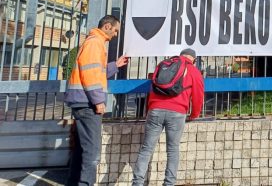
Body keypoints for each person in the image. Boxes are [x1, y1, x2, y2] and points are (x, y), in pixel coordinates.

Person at [64, 15, 129, 186]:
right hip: (87, 104)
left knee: (81, 150)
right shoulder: (95, 43)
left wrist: (115, 65)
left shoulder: (93, 42)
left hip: (82, 102)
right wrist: (98, 100)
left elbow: (97, 71)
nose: (115, 34)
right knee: (92, 153)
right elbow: (90, 75)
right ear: (107, 26)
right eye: (115, 30)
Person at [132, 48, 205, 186]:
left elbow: (154, 87)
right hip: (177, 113)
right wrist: (194, 114)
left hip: (155, 110)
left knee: (146, 149)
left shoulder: (163, 64)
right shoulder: (193, 71)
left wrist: (151, 108)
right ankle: (169, 183)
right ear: (193, 60)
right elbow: (198, 96)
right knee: (172, 150)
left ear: (180, 56)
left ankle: (137, 183)